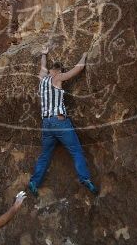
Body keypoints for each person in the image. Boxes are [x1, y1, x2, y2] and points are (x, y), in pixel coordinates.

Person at [27, 45, 98, 197]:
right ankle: (85, 178)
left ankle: (34, 182)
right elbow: (76, 70)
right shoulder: (57, 78)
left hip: (46, 124)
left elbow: (42, 66)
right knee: (76, 151)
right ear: (58, 71)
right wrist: (85, 55)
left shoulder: (42, 79)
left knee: (45, 155)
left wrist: (44, 53)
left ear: (51, 70)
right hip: (59, 121)